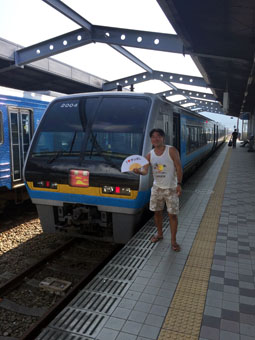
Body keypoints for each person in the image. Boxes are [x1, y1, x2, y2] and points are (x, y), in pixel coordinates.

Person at [133, 128, 183, 251]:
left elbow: (179, 167)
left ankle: (173, 241)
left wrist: (179, 184)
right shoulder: (150, 154)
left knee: (173, 215)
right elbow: (145, 171)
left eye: (158, 136)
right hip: (157, 188)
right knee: (157, 213)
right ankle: (159, 234)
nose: (156, 139)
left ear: (163, 138)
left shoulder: (171, 150)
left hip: (171, 188)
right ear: (151, 139)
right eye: (153, 137)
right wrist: (138, 171)